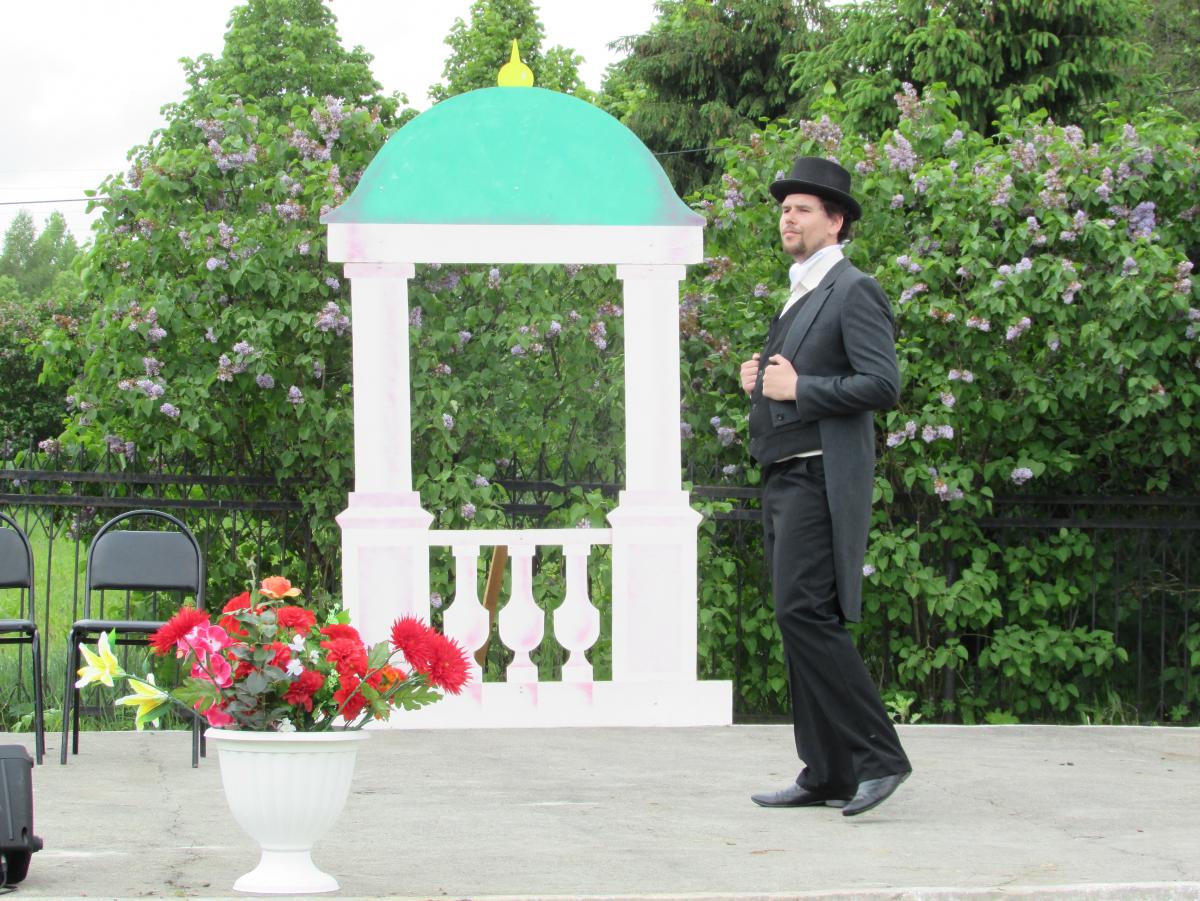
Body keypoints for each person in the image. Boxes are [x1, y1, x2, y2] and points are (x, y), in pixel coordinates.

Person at [740, 156, 911, 817]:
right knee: (798, 617)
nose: (788, 217)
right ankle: (828, 770)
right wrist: (762, 381)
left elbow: (882, 383)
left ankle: (880, 757)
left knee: (805, 612)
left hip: (817, 474)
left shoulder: (853, 289)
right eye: (784, 208)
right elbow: (792, 378)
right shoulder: (801, 292)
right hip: (784, 474)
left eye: (802, 208)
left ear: (836, 221)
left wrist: (797, 387)